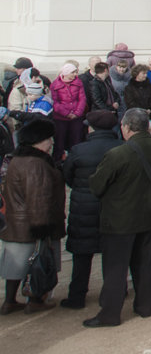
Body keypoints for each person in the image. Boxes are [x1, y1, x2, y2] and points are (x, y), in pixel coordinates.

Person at [82, 108, 151, 327]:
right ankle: (145, 306)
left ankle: (110, 313)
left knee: (115, 269)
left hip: (119, 219)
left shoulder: (118, 154)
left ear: (127, 127)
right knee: (146, 264)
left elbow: (97, 185)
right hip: (148, 215)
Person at [0, 118, 66, 315]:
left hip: (15, 223)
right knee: (38, 262)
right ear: (39, 140)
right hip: (33, 225)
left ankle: (9, 301)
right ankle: (35, 299)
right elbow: (38, 199)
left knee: (15, 265)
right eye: (49, 139)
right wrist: (42, 229)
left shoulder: (17, 160)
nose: (51, 142)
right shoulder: (37, 164)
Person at [60, 111, 124, 309]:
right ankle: (116, 291)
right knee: (113, 254)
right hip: (114, 207)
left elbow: (67, 176)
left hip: (83, 207)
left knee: (82, 254)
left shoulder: (79, 150)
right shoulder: (122, 148)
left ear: (92, 128)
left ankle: (77, 296)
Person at [50, 63, 89, 159]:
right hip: (60, 118)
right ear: (66, 73)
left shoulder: (78, 83)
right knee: (60, 140)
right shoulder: (55, 85)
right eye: (73, 72)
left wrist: (77, 113)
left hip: (76, 117)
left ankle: (75, 158)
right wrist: (66, 113)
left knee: (76, 139)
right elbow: (55, 102)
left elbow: (82, 99)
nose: (75, 74)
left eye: (76, 72)